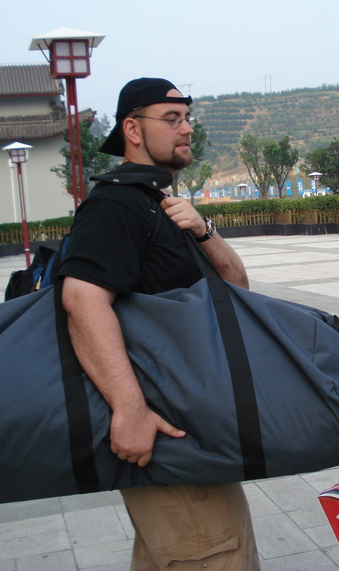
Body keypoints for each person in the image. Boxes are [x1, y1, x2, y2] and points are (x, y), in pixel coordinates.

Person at [59, 78, 260, 571]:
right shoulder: (116, 204)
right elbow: (82, 300)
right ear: (132, 128)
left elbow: (237, 289)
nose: (186, 129)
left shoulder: (156, 203)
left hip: (190, 432)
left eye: (187, 118)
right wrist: (129, 409)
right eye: (171, 120)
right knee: (215, 554)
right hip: (165, 433)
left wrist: (204, 230)